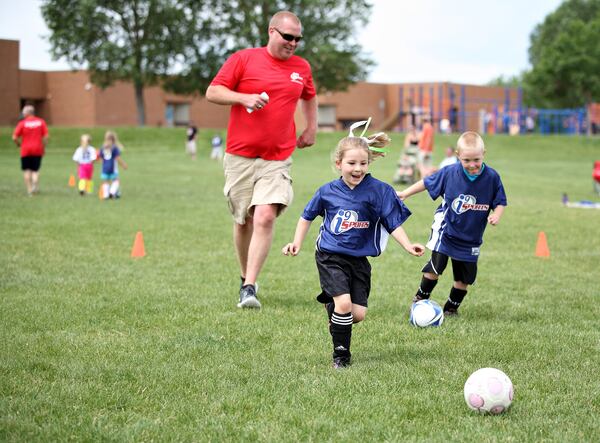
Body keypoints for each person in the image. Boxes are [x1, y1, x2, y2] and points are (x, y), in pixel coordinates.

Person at [282, 128, 425, 369]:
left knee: (356, 314)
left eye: (363, 163)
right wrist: (296, 242)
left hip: (359, 261)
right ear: (339, 164)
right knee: (345, 305)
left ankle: (332, 308)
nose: (357, 169)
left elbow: (393, 222)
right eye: (351, 163)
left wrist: (408, 245)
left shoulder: (379, 191)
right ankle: (341, 357)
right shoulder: (327, 191)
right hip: (330, 256)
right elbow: (307, 216)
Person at [206, 10, 318, 309]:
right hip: (240, 156)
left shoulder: (301, 67)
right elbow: (213, 91)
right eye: (288, 37)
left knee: (265, 216)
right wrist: (244, 98)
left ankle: (251, 286)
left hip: (278, 157)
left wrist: (311, 126)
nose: (293, 43)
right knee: (243, 221)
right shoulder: (243, 59)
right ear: (272, 32)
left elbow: (309, 96)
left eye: (298, 39)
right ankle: (244, 278)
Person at [398, 131, 507, 316]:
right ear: (458, 156)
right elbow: (426, 182)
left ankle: (451, 308)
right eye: (466, 160)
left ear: (484, 154)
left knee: (464, 279)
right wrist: (405, 193)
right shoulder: (450, 173)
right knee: (435, 268)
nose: (472, 165)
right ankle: (420, 300)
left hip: (472, 237)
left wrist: (497, 214)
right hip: (446, 230)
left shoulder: (492, 177)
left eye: (476, 160)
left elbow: (500, 201)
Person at [12, 104, 49, 196]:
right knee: (35, 170)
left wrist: (18, 144)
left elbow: (14, 137)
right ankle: (35, 186)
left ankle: (29, 190)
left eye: (24, 112)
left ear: (28, 113)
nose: (23, 114)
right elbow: (46, 136)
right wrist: (43, 146)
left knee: (27, 170)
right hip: (37, 149)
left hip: (25, 150)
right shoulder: (41, 122)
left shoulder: (22, 123)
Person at [98, 131, 128, 199]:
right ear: (113, 140)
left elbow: (100, 158)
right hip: (112, 168)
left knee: (105, 181)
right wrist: (123, 164)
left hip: (104, 168)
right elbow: (117, 158)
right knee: (116, 180)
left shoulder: (102, 148)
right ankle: (112, 192)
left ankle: (106, 195)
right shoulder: (114, 148)